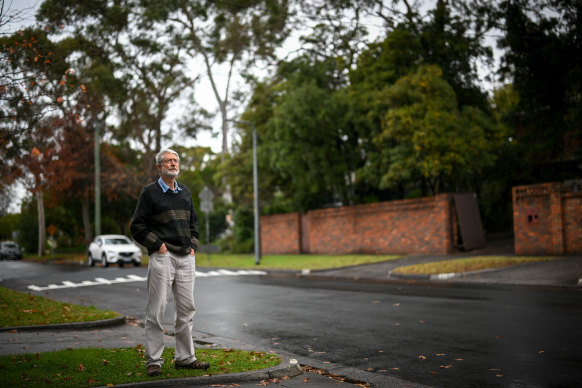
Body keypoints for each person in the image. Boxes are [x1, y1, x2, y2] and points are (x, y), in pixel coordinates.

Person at [130, 148, 209, 377]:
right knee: (156, 311)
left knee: (186, 311)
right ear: (159, 167)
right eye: (168, 161)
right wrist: (158, 245)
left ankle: (185, 358)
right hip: (163, 257)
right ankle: (154, 361)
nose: (173, 163)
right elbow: (137, 226)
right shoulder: (150, 193)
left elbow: (194, 223)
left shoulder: (185, 192)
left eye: (175, 160)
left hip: (186, 258)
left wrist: (193, 246)